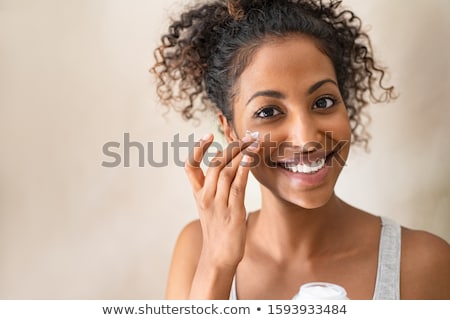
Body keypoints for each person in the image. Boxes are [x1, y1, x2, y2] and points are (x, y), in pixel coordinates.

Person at [151, 0, 450, 299]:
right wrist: (216, 265)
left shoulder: (422, 263)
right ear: (230, 129)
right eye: (268, 112)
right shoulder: (197, 249)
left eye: (323, 102)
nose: (306, 138)